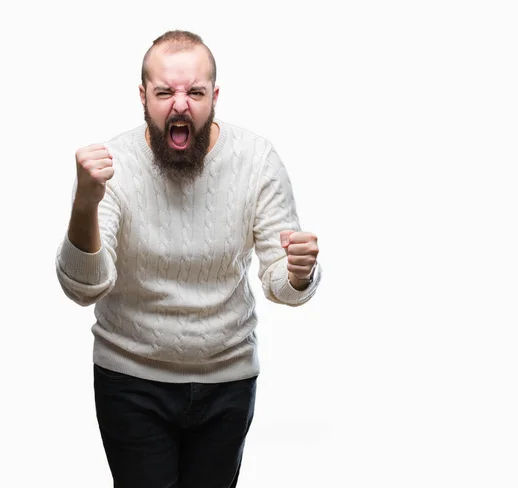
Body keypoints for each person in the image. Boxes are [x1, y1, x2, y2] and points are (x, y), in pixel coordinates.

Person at [55, 30, 321, 488]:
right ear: (143, 97)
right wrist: (85, 203)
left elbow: (282, 283)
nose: (180, 105)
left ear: (214, 96)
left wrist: (300, 273)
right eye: (165, 93)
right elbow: (84, 288)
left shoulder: (256, 159)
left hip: (228, 380)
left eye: (195, 92)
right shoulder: (111, 166)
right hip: (131, 379)